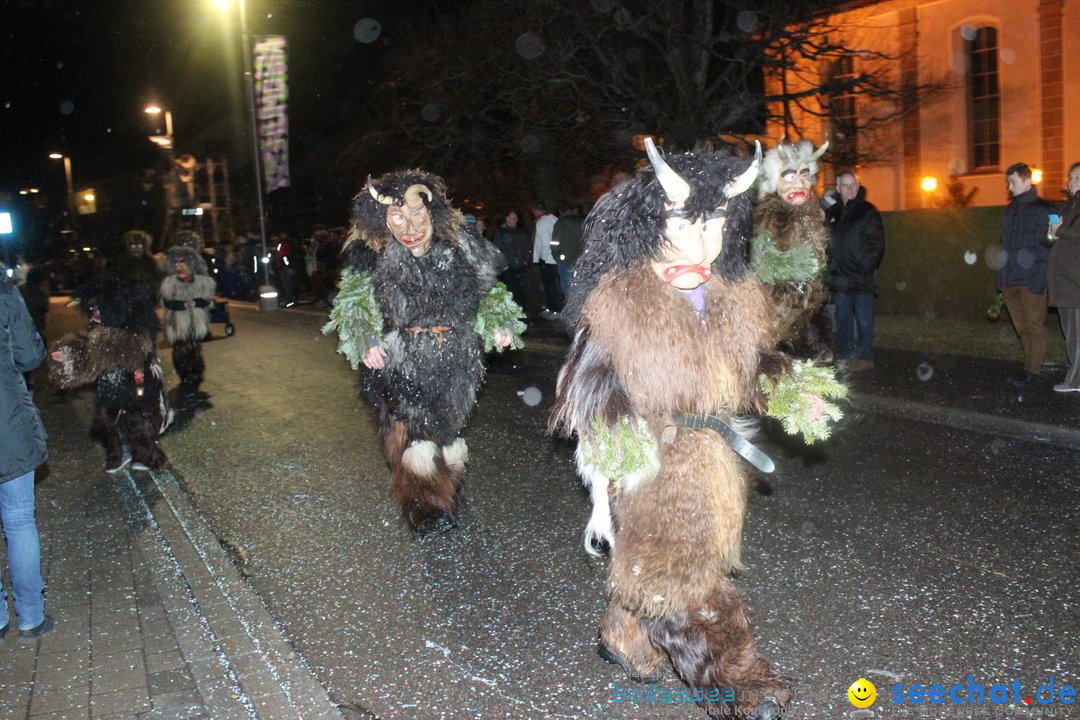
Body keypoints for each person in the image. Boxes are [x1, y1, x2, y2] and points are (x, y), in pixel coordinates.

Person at [550, 138, 844, 720]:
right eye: (684, 225)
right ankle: (737, 684)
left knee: (660, 565)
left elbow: (750, 364)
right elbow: (585, 382)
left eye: (713, 226)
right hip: (649, 459)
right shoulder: (619, 301)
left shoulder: (732, 296)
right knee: (680, 582)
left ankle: (624, 637)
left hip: (709, 459)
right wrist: (617, 441)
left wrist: (790, 388)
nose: (700, 243)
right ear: (650, 227)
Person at [324, 170, 525, 535]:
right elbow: (352, 304)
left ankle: (445, 489)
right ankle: (424, 509)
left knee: (448, 432)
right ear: (382, 221)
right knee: (414, 436)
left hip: (456, 358)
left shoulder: (463, 246)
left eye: (416, 214)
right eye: (396, 217)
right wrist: (364, 337)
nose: (409, 225)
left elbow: (490, 292)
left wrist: (501, 321)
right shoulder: (371, 254)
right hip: (400, 360)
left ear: (432, 212)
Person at [49, 273, 171, 472]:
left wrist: (96, 346)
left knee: (138, 419)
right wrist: (67, 355)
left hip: (138, 379)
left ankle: (147, 456)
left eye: (98, 309)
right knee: (106, 419)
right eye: (91, 310)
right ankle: (117, 452)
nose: (94, 314)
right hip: (110, 381)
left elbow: (130, 350)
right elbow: (82, 342)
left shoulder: (137, 322)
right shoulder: (96, 325)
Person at [0, 280, 53, 642]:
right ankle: (31, 616)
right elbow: (31, 355)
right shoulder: (2, 292)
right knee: (19, 519)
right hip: (6, 421)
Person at [753, 139, 833, 360]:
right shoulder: (768, 218)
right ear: (774, 182)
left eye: (805, 175)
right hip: (777, 315)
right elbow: (762, 266)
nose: (799, 183)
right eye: (790, 176)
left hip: (808, 311)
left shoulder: (813, 215)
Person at [998, 162, 1055, 386]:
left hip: (1031, 279)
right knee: (1022, 328)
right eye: (1008, 182)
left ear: (1026, 181)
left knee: (1033, 326)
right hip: (1011, 279)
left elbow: (1048, 247)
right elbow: (1004, 245)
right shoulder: (1009, 211)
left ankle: (1033, 370)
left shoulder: (1044, 209)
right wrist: (1001, 278)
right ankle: (1028, 367)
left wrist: (1039, 279)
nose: (1009, 187)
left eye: (1013, 182)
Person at [826, 170, 885, 371]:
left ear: (858, 187)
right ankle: (846, 356)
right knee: (842, 321)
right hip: (840, 278)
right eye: (846, 185)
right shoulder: (832, 212)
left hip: (862, 278)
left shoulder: (867, 210)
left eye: (853, 185)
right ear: (838, 188)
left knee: (864, 320)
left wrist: (866, 266)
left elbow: (877, 243)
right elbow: (827, 243)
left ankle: (863, 358)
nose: (850, 189)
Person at [160, 242, 216, 386]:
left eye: (183, 262)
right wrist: (182, 305)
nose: (179, 266)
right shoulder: (169, 283)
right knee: (180, 349)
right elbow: (167, 302)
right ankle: (184, 374)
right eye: (176, 263)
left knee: (194, 347)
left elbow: (207, 300)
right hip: (177, 322)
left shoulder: (202, 282)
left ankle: (196, 372)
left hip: (196, 321)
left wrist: (196, 303)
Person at [1047, 161, 1080, 392]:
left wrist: (1062, 232)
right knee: (1070, 332)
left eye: (1078, 177)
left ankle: (1076, 380)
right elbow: (1045, 237)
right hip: (1062, 280)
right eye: (1071, 177)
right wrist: (1050, 234)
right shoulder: (1066, 207)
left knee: (1076, 334)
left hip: (1075, 280)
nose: (1072, 181)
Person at [491, 211, 530, 308]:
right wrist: (504, 264)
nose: (516, 220)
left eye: (516, 218)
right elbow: (497, 249)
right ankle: (510, 311)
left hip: (520, 265)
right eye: (513, 218)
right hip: (507, 267)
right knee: (509, 289)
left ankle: (522, 310)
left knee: (521, 290)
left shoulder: (520, 232)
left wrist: (526, 260)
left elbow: (526, 246)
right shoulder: (500, 232)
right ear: (507, 218)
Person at [531, 202, 562, 317]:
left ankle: (556, 309)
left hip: (547, 259)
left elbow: (543, 243)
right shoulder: (553, 218)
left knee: (550, 285)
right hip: (554, 258)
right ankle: (551, 307)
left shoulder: (542, 222)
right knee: (553, 285)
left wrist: (541, 259)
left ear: (535, 211)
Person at [551, 204, 585, 298]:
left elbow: (555, 242)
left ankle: (570, 307)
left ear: (560, 211)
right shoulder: (582, 221)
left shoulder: (561, 223)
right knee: (580, 284)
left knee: (566, 285)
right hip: (581, 259)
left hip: (565, 259)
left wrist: (556, 256)